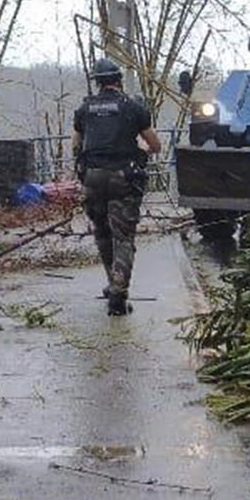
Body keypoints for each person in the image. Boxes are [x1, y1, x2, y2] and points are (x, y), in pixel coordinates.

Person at [71, 59, 162, 315]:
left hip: (92, 178)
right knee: (123, 237)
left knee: (102, 233)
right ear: (119, 80)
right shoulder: (133, 108)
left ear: (97, 82)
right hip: (123, 178)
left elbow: (76, 145)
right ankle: (118, 294)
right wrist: (141, 152)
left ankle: (112, 281)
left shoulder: (84, 109)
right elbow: (155, 145)